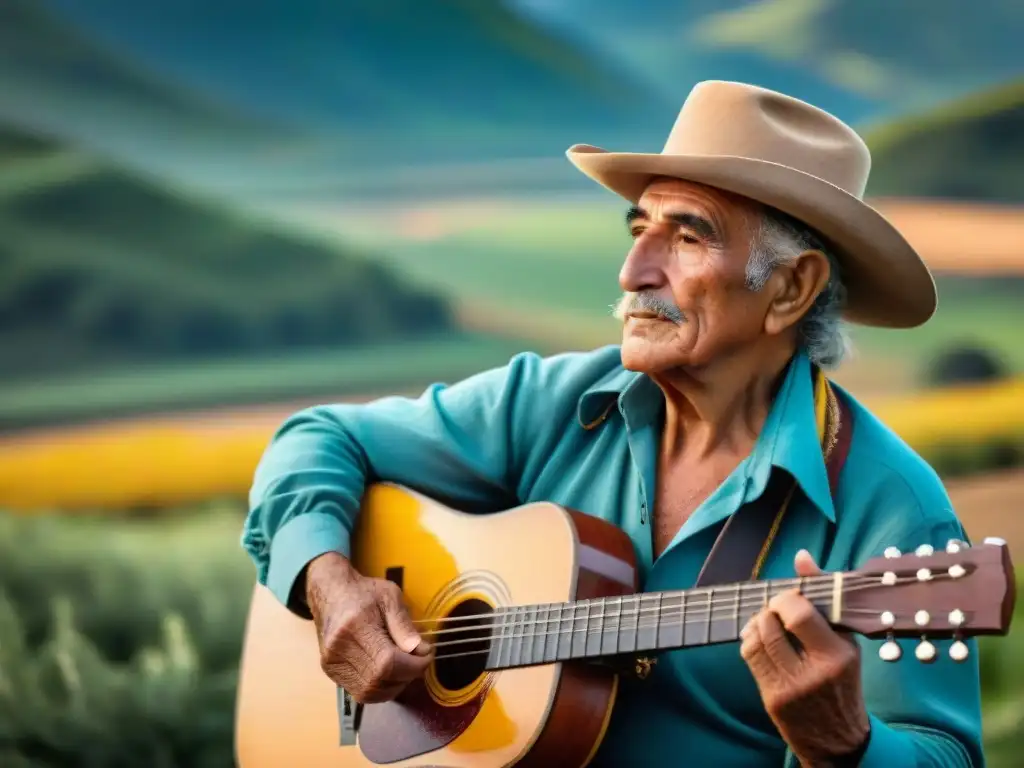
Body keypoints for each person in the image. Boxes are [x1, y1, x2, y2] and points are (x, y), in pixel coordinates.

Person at [242, 81, 983, 766]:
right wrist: (328, 581)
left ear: (791, 288)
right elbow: (315, 439)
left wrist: (849, 746)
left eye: (688, 236)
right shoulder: (552, 400)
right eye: (639, 227)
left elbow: (944, 753)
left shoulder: (897, 510)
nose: (633, 271)